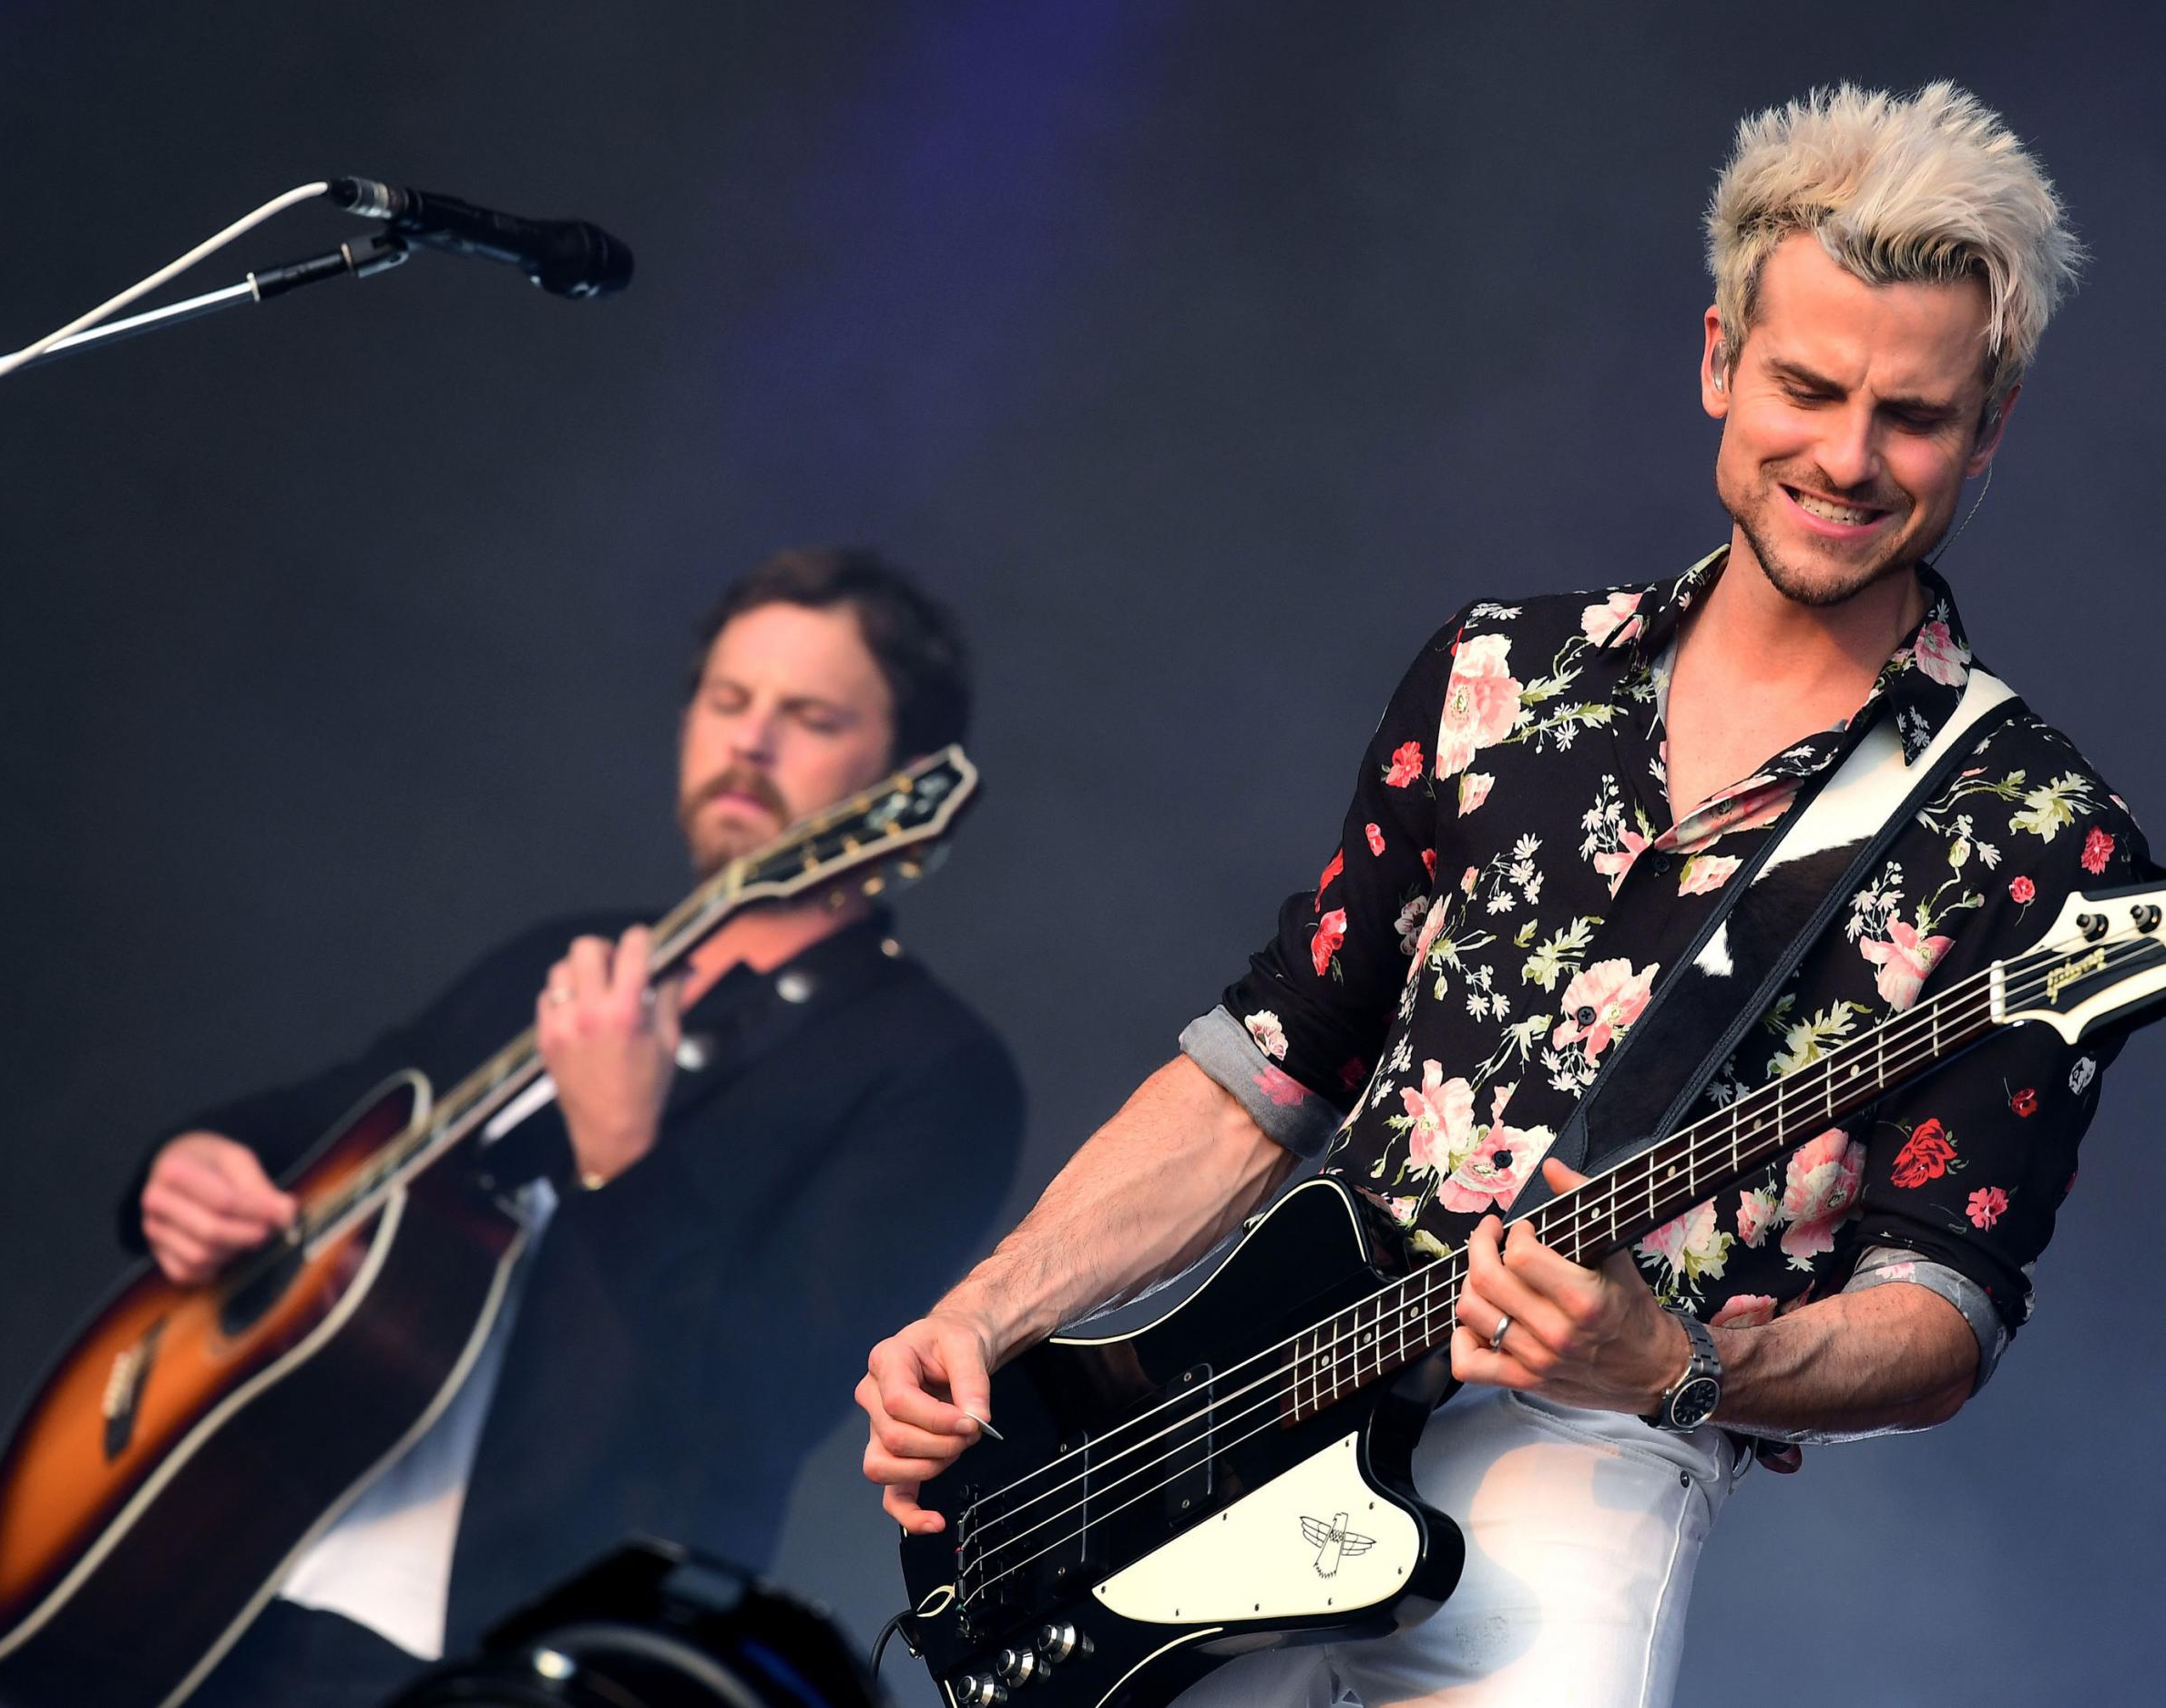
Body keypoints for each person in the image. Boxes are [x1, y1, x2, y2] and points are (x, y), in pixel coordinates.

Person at [859, 82, 2150, 1707]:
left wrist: (1681, 1364)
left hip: (1592, 1463)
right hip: (1252, 1419)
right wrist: (983, 1315)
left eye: (1913, 415)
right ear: (1717, 362)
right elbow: (1274, 1063)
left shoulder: (2041, 836)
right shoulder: (1496, 675)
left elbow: (1942, 1308)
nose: (1848, 454)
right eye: (1808, 386)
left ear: (1992, 426)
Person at [127, 548, 1025, 1707]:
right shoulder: (567, 962)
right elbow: (324, 1119)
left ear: (903, 774)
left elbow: (764, 1402)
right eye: (725, 700)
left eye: (807, 716)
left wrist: (623, 1161)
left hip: (533, 1650)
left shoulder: (934, 1071)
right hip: (237, 1575)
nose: (748, 744)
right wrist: (189, 1162)